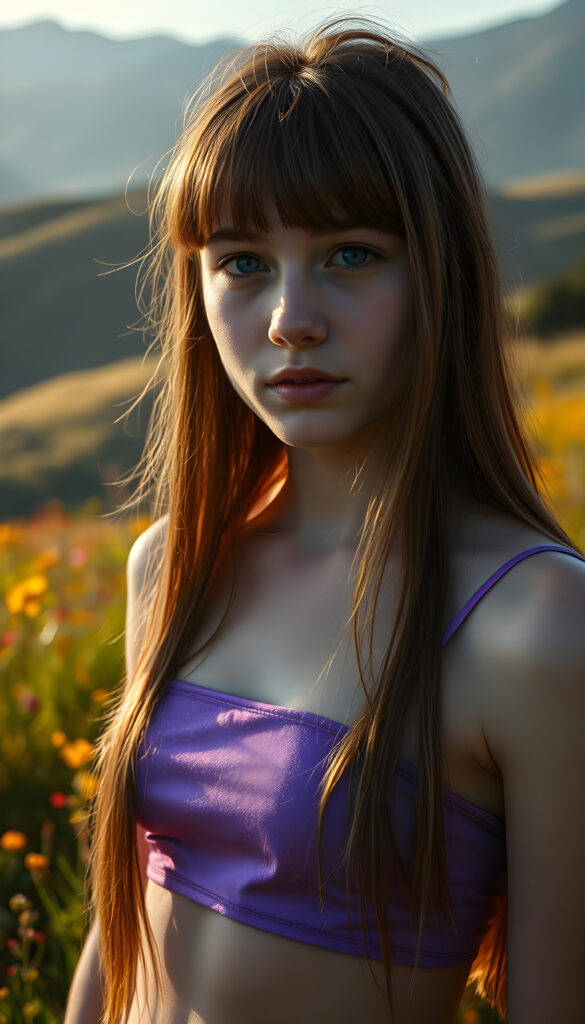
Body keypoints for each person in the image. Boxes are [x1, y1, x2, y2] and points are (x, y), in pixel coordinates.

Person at [64, 15, 585, 1024]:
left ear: (441, 273)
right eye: (244, 263)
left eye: (350, 254)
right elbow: (115, 940)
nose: (290, 317)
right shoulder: (169, 566)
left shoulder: (538, 622)